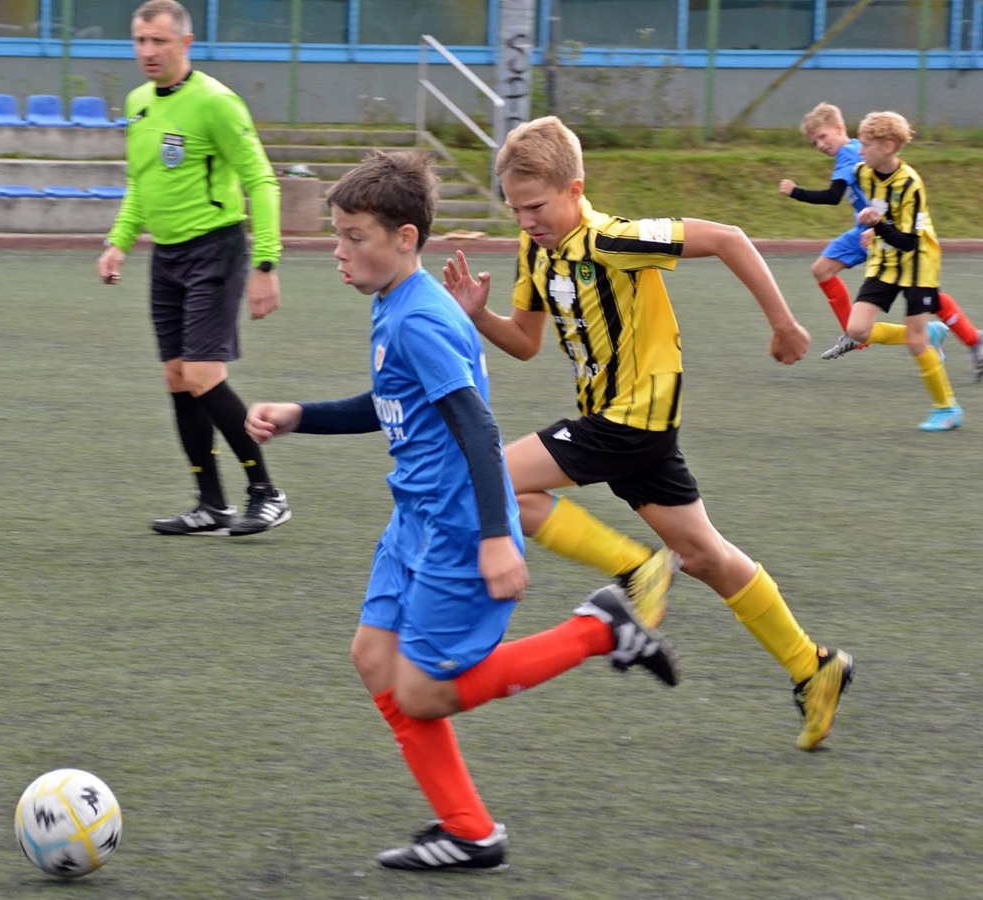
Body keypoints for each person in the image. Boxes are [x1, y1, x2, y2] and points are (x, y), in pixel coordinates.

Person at [245, 150, 679, 872]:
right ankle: (471, 832)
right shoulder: (397, 303)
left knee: (423, 692)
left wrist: (495, 538)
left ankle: (597, 630)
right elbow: (391, 403)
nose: (338, 250)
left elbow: (477, 427)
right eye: (338, 234)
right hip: (413, 522)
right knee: (374, 659)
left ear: (405, 238)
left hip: (458, 528)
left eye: (354, 236)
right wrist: (301, 415)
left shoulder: (419, 317)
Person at [443, 116, 853, 751]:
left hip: (631, 420)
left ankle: (635, 568)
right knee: (706, 557)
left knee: (491, 481)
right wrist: (479, 317)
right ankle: (812, 665)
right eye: (515, 209)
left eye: (536, 206)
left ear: (575, 189)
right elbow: (524, 342)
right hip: (625, 428)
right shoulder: (537, 249)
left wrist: (784, 323)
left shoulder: (615, 238)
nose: (525, 220)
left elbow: (730, 238)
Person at [97, 0, 290, 536]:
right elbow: (141, 183)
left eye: (159, 41)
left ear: (185, 43)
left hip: (216, 250)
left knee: (204, 376)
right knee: (178, 378)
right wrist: (118, 243)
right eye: (140, 40)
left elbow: (261, 181)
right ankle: (211, 505)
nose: (148, 51)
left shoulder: (216, 102)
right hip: (167, 256)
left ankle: (266, 493)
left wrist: (266, 262)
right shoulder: (138, 102)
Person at [778, 101, 983, 384]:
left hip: (882, 230)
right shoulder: (856, 151)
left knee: (919, 291)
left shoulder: (850, 154)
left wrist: (795, 192)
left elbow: (833, 196)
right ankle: (860, 333)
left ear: (840, 128)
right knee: (825, 270)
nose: (820, 144)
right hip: (870, 229)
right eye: (815, 142)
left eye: (823, 136)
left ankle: (964, 339)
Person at [817, 111, 965, 431]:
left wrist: (877, 226)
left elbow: (909, 242)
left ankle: (947, 408)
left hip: (918, 263)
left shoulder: (910, 184)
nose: (860, 150)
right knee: (857, 330)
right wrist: (873, 230)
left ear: (888, 146)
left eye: (866, 145)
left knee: (915, 342)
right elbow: (849, 199)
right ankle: (929, 333)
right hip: (884, 259)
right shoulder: (863, 172)